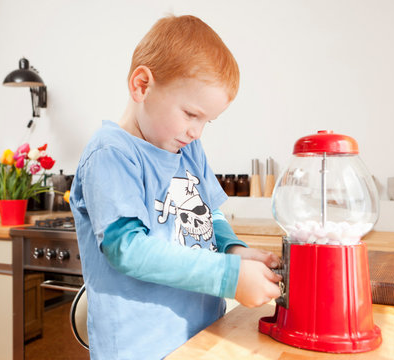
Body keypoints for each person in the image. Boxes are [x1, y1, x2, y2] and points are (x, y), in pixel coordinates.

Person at [70, 14, 282, 360]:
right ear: (142, 85)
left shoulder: (188, 148)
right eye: (190, 114)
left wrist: (233, 250)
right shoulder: (111, 153)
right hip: (139, 347)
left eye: (206, 122)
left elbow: (209, 212)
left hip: (201, 333)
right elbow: (127, 249)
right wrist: (228, 277)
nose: (197, 131)